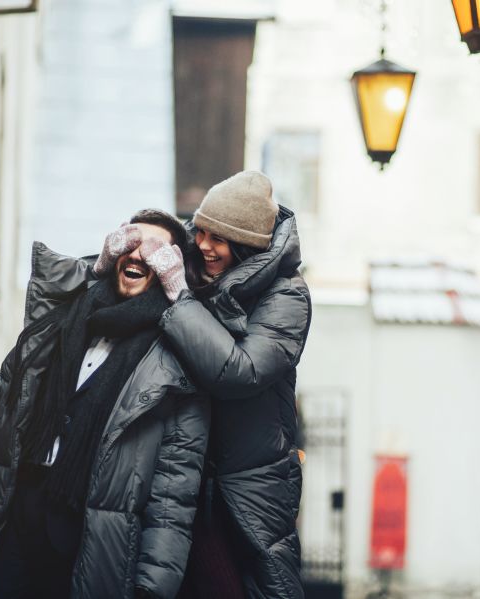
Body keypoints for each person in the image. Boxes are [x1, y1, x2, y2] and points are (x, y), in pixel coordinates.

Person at [0, 209, 209, 599]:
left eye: (157, 250)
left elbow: (175, 488)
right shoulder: (60, 322)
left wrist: (154, 583)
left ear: (171, 270)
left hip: (87, 539)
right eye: (131, 241)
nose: (139, 255)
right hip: (15, 516)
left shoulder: (172, 363)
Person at [138, 171, 311, 599]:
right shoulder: (200, 269)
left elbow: (241, 371)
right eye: (202, 232)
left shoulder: (287, 297)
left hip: (243, 488)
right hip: (183, 476)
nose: (203, 245)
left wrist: (180, 298)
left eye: (218, 238)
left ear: (247, 244)